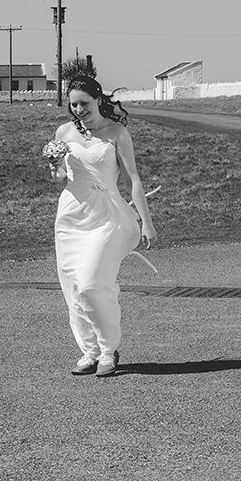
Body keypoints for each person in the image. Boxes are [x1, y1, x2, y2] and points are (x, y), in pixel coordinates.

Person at [46, 76, 157, 378]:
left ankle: (108, 350)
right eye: (73, 104)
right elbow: (60, 179)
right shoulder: (64, 132)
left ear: (98, 100)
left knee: (93, 282)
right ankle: (89, 351)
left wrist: (146, 221)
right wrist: (55, 165)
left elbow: (133, 179)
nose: (79, 109)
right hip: (71, 216)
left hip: (106, 216)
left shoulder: (116, 133)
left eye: (84, 103)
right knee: (73, 287)